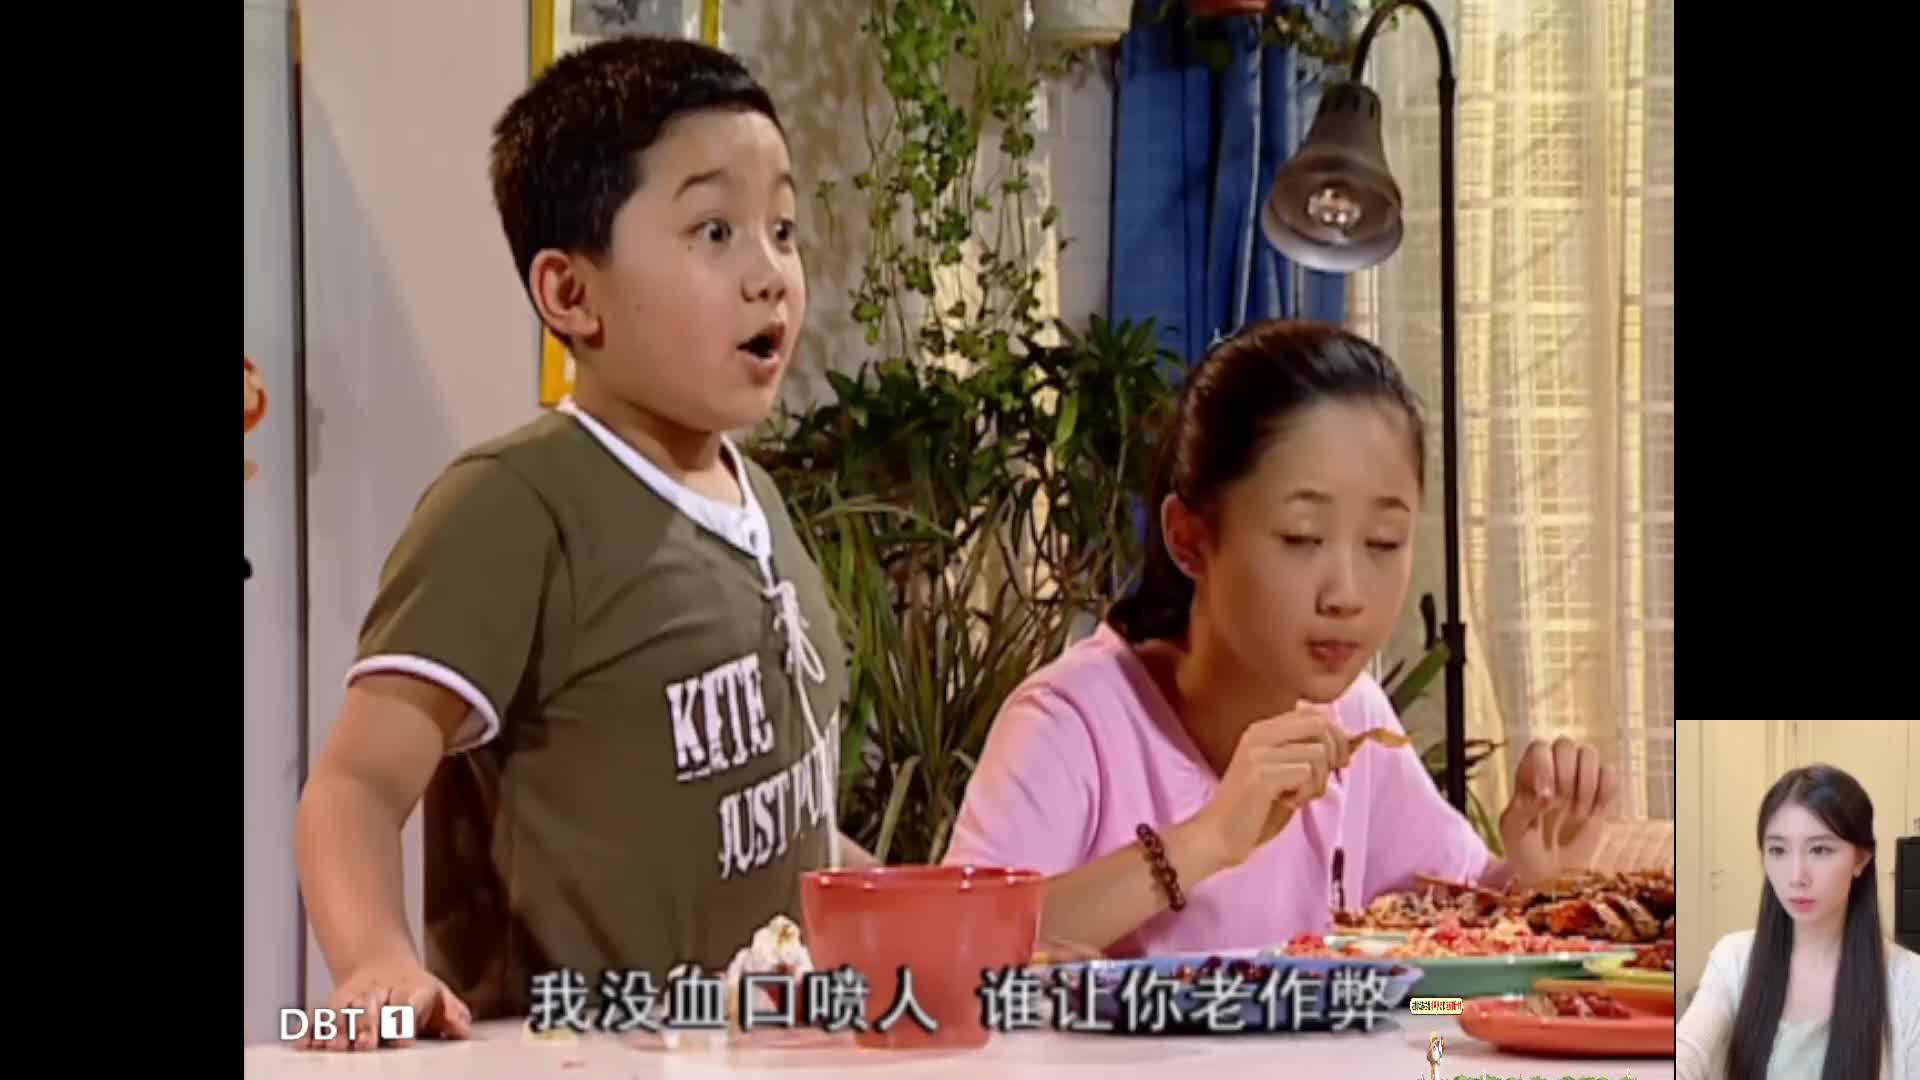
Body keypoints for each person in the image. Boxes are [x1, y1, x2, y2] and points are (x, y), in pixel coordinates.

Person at [293, 36, 876, 1051]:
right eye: (716, 230)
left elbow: (782, 824)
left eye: (782, 229)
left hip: (775, 1048)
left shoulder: (762, 502)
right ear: (570, 294)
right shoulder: (512, 505)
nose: (770, 276)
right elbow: (356, 787)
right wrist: (377, 961)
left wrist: (938, 919)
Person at [942, 319, 1623, 957]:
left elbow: (1439, 989)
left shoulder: (1351, 715)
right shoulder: (1073, 721)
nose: (1347, 594)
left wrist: (1535, 882)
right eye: (1301, 538)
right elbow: (952, 951)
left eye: (1384, 542)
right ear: (1189, 538)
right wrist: (1207, 840)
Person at [1677, 764, 1919, 1080]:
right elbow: (1688, 1049)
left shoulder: (1909, 980)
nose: (1796, 876)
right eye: (1778, 850)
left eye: (1820, 850)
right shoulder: (1734, 959)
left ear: (1860, 859)